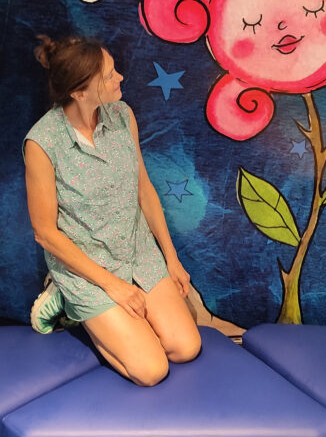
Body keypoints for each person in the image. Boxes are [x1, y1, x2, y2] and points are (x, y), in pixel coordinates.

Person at [23, 34, 202, 386]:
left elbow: (144, 190)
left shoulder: (122, 115)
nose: (120, 77)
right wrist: (114, 287)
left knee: (185, 348)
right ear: (79, 93)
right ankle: (67, 300)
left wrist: (171, 258)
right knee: (151, 370)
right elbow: (45, 233)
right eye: (108, 76)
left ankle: (119, 322)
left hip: (136, 252)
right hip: (88, 268)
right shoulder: (42, 144)